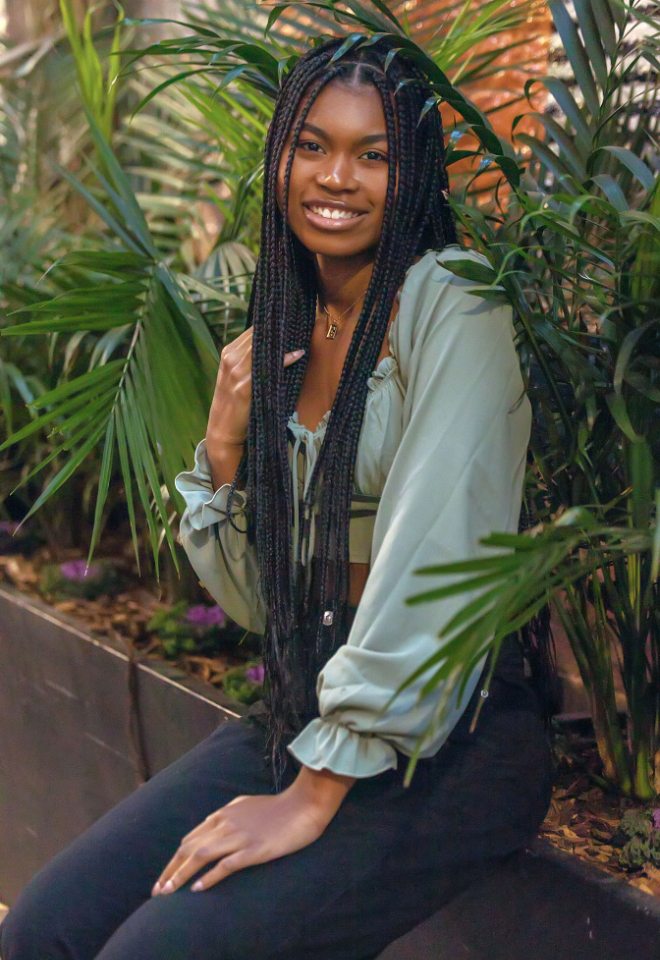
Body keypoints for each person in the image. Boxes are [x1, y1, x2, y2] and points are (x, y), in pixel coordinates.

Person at [0, 35, 555, 960]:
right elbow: (265, 605)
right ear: (280, 159)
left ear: (413, 173)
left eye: (373, 154)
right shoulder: (290, 322)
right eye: (312, 144)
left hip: (446, 736)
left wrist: (312, 792)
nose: (336, 176)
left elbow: (439, 559)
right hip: (308, 705)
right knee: (47, 931)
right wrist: (222, 445)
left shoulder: (452, 306)